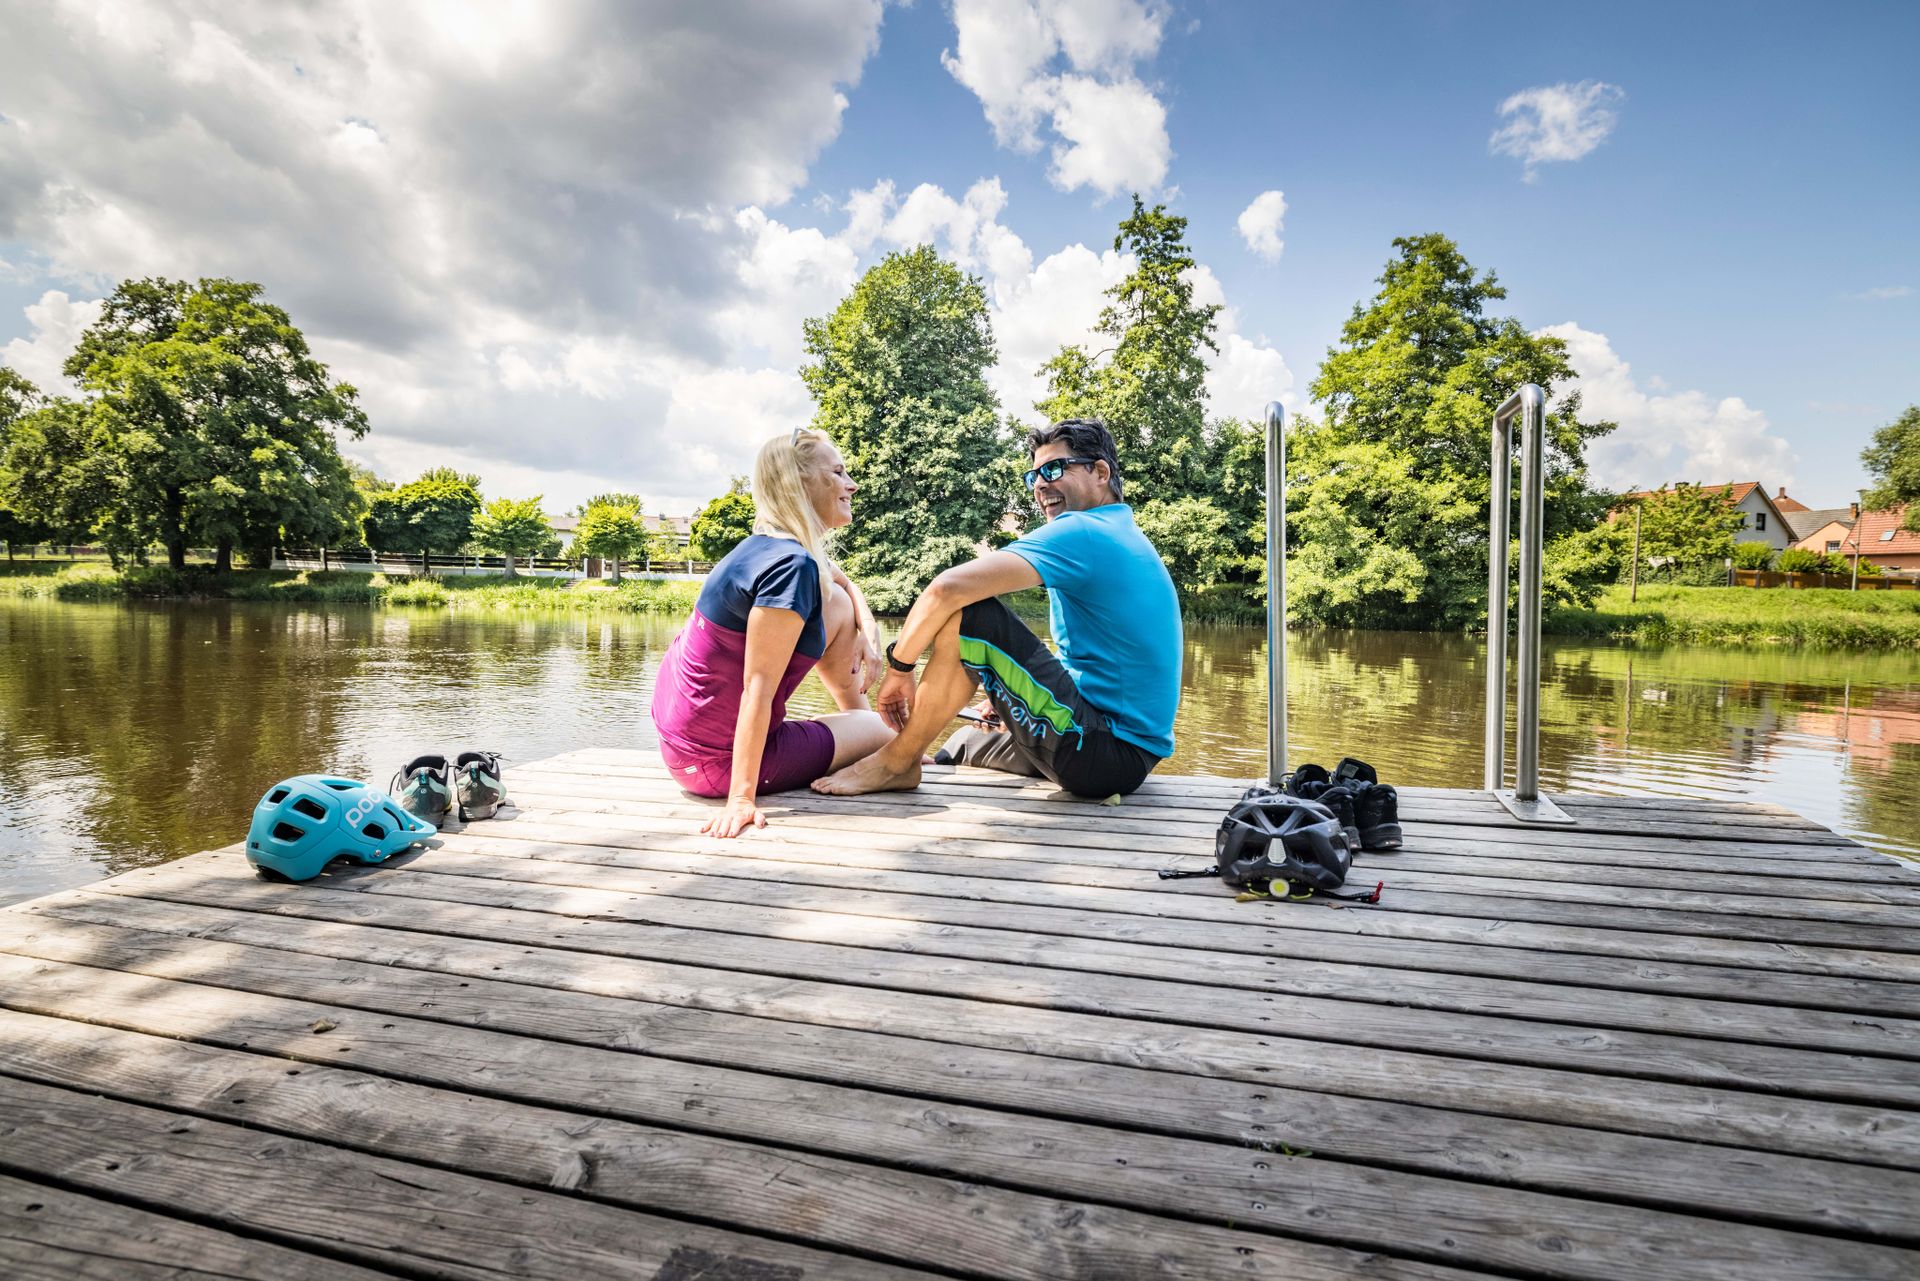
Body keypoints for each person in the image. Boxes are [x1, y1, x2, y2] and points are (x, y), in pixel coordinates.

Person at [813, 418, 1181, 799]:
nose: (1040, 485)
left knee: (972, 616)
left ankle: (896, 762)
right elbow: (1096, 659)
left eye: (1054, 469)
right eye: (1034, 475)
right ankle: (908, 758)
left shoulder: (1085, 530)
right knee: (961, 745)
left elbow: (946, 589)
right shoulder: (1117, 530)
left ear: (1100, 472)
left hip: (1104, 752)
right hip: (1118, 754)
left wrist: (900, 668)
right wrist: (1006, 693)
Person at [651, 428, 893, 837]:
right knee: (881, 732)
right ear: (799, 484)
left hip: (685, 748)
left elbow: (843, 585)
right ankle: (876, 742)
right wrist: (741, 800)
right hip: (715, 765)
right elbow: (757, 689)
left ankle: (867, 736)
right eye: (837, 473)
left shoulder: (768, 548)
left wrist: (868, 634)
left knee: (833, 600)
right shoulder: (789, 568)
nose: (851, 484)